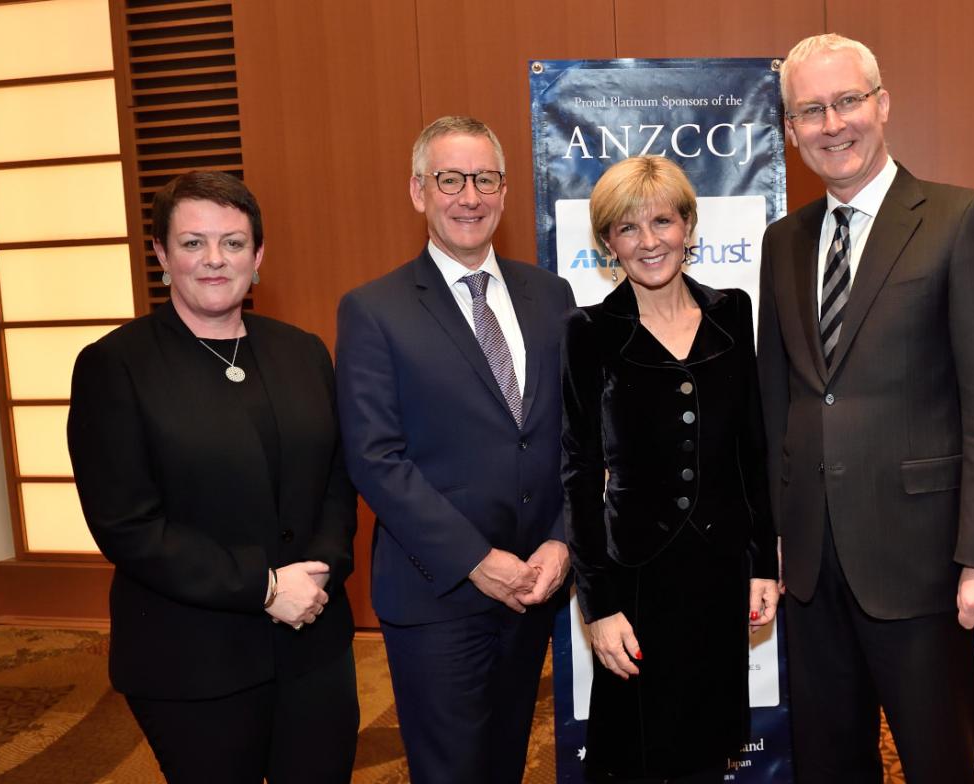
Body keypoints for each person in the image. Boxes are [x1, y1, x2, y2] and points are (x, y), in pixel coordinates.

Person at [757, 34, 974, 784]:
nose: (831, 124)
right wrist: (772, 540)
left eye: (847, 101)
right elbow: (777, 400)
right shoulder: (783, 242)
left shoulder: (961, 220)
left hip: (925, 565)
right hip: (813, 568)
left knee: (940, 763)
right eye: (809, 110)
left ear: (882, 105)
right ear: (789, 130)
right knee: (829, 766)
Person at [67, 171, 359, 783]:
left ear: (258, 256)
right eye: (193, 243)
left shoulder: (301, 350)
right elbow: (127, 524)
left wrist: (322, 566)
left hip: (313, 636)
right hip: (192, 656)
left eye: (232, 242)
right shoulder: (114, 366)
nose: (214, 259)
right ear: (161, 255)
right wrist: (264, 587)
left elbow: (336, 474)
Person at [335, 116, 576, 784]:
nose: (469, 196)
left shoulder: (551, 297)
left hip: (534, 586)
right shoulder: (374, 309)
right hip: (438, 593)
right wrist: (477, 561)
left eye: (485, 179)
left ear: (504, 191)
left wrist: (563, 540)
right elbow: (375, 458)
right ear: (419, 191)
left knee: (504, 762)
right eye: (450, 179)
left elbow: (572, 436)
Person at [562, 155, 780, 783]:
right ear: (608, 242)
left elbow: (752, 449)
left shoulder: (732, 313)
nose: (648, 241)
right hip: (634, 582)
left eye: (662, 221)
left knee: (707, 755)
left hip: (718, 574)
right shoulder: (589, 332)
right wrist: (597, 607)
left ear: (688, 224)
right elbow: (577, 476)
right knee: (635, 757)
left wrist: (762, 562)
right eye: (628, 229)